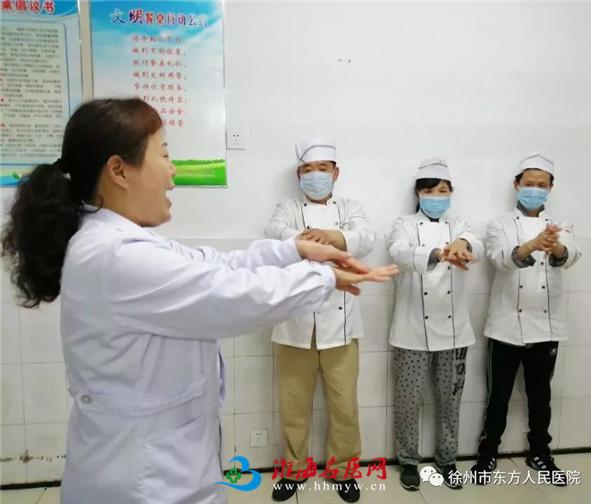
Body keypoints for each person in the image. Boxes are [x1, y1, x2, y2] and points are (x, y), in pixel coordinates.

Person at [0, 99, 398, 504]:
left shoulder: (121, 242)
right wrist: (324, 276)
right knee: (294, 405)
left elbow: (212, 263)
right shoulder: (116, 255)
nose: (173, 171)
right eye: (164, 154)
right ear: (118, 170)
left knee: (343, 404)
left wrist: (294, 250)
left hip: (155, 466)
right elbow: (231, 295)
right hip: (143, 482)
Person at [265, 138, 375, 503]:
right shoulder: (287, 208)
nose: (315, 176)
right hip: (294, 324)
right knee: (293, 405)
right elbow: (274, 233)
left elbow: (366, 238)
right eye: (308, 170)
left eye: (322, 169)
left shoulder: (350, 208)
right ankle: (294, 470)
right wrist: (305, 239)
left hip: (341, 327)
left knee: (344, 406)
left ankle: (343, 470)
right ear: (299, 175)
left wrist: (333, 236)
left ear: (335, 173)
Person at [471, 153, 581, 486]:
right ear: (517, 185)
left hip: (546, 326)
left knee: (540, 395)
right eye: (529, 183)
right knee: (498, 395)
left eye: (541, 184)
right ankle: (488, 452)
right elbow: (500, 259)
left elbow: (571, 256)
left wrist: (556, 247)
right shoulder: (499, 225)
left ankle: (540, 453)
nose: (535, 189)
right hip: (505, 325)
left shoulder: (562, 224)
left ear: (550, 188)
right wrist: (531, 245)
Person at [386, 157, 483, 491]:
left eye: (442, 191)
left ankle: (447, 459)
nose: (436, 196)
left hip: (454, 332)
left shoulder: (460, 224)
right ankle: (408, 461)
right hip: (411, 329)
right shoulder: (403, 224)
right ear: (418, 193)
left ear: (451, 192)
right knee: (408, 401)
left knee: (450, 400)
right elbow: (399, 252)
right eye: (430, 191)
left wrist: (462, 245)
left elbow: (476, 245)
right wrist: (439, 253)